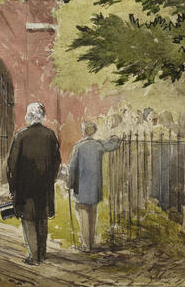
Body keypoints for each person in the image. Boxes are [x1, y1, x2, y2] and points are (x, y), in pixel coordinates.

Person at [7, 102, 61, 265]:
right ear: (42, 115)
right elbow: (56, 161)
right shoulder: (50, 135)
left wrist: (12, 186)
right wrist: (51, 178)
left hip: (25, 187)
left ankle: (35, 255)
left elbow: (12, 164)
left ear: (29, 116)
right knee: (42, 218)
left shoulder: (21, 136)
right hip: (44, 185)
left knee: (29, 220)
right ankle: (43, 253)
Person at [67, 121, 120, 252]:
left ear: (84, 132)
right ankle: (91, 241)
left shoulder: (78, 147)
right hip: (95, 186)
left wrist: (69, 184)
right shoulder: (98, 145)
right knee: (93, 213)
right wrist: (116, 138)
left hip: (81, 186)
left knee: (83, 214)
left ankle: (87, 245)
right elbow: (112, 145)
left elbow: (72, 168)